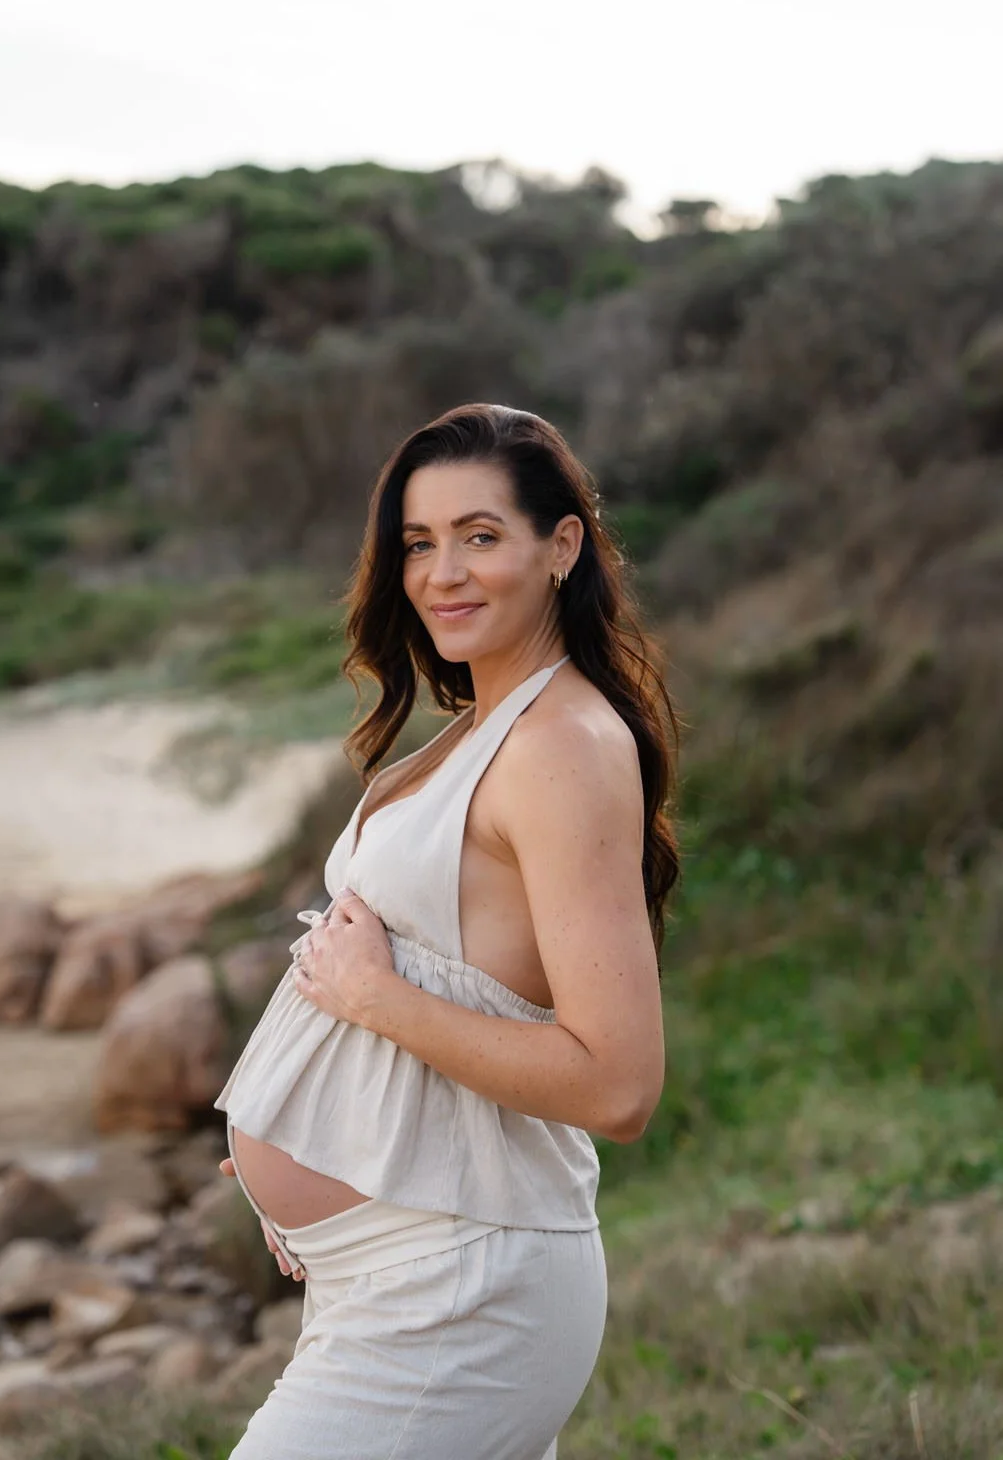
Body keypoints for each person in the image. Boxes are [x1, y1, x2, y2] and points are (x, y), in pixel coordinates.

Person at [215, 402, 678, 1459]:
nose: (441, 573)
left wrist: (374, 1001)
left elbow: (617, 1083)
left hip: (458, 1288)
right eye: (419, 543)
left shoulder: (561, 745)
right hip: (396, 1266)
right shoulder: (487, 726)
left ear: (560, 547)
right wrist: (313, 1126)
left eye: (480, 536)